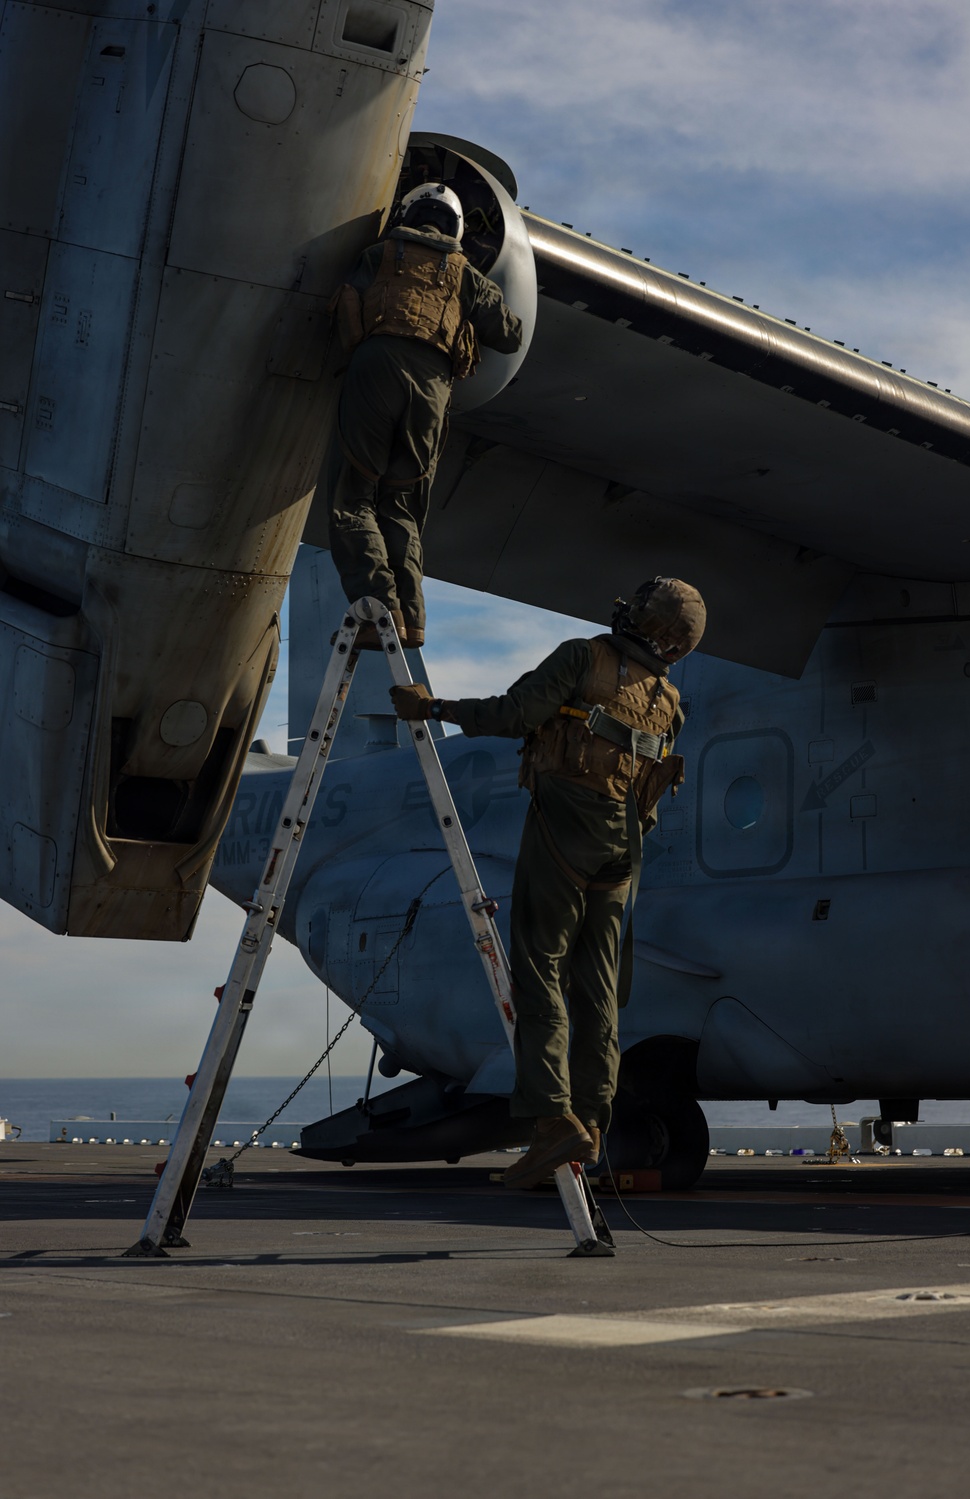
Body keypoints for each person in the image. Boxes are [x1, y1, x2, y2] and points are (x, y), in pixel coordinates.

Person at [390, 577, 707, 1187]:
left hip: (566, 828)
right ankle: (590, 1122)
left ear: (645, 622)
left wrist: (432, 709)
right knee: (600, 992)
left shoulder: (583, 657)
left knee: (539, 972)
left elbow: (513, 716)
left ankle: (550, 1122)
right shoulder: (668, 701)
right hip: (624, 847)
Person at [326, 183, 523, 648]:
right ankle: (410, 621)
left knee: (354, 498)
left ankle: (377, 609)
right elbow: (511, 335)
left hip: (375, 370)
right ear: (455, 226)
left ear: (408, 213)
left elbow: (345, 300)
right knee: (402, 506)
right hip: (433, 387)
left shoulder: (378, 255)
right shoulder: (466, 275)